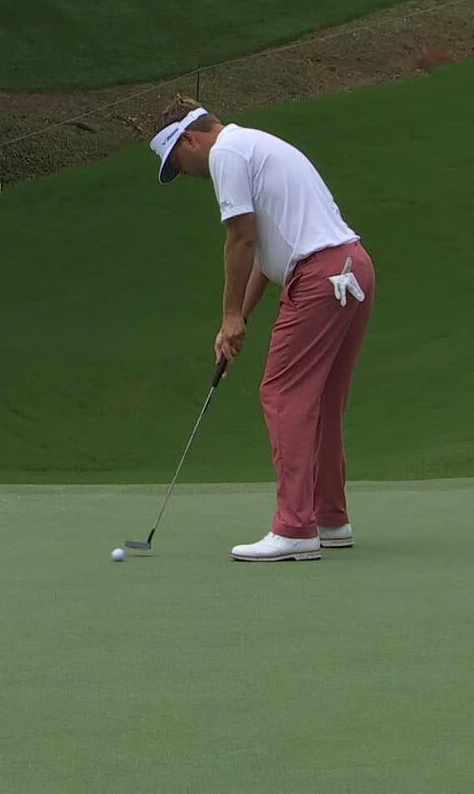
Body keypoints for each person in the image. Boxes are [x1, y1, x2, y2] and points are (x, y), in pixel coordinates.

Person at [149, 97, 375, 562]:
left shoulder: (226, 154)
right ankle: (330, 519)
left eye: (178, 162)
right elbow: (262, 254)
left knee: (283, 394)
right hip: (353, 268)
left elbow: (241, 238)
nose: (185, 173)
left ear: (189, 139)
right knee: (323, 399)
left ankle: (295, 527)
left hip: (320, 277)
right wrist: (239, 318)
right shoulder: (253, 145)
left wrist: (230, 315)